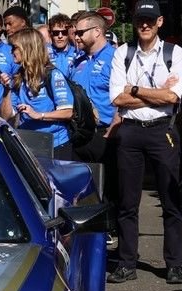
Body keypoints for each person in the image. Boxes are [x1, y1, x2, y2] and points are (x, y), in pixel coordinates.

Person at [107, 0, 182, 285]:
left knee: (170, 200)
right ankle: (127, 262)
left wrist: (136, 89)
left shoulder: (173, 52)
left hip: (162, 130)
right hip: (130, 130)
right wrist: (156, 93)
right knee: (128, 201)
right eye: (141, 19)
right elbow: (117, 98)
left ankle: (174, 264)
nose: (144, 25)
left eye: (150, 21)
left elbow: (173, 97)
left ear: (160, 22)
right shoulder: (123, 53)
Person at [0, 28, 75, 159]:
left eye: (14, 47)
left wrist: (38, 115)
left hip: (55, 145)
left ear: (27, 48)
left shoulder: (52, 75)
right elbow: (6, 115)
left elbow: (68, 112)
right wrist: (6, 90)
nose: (11, 51)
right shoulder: (19, 76)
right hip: (28, 143)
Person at [70, 11, 117, 198]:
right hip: (80, 134)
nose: (76, 37)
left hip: (106, 134)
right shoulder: (78, 61)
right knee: (83, 195)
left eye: (81, 32)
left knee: (110, 192)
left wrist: (113, 129)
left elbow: (122, 97)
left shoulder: (115, 59)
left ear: (97, 31)